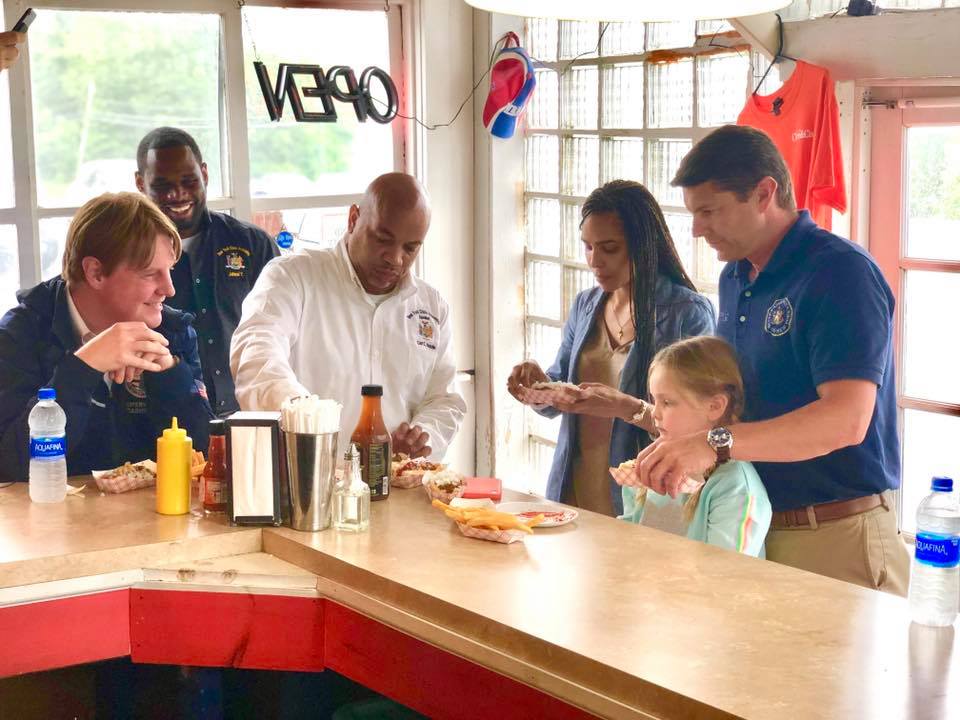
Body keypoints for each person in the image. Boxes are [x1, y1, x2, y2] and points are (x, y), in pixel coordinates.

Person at [634, 124, 910, 595]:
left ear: (764, 194)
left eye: (709, 211)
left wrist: (713, 442)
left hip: (834, 531)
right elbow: (735, 398)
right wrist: (672, 435)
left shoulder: (838, 272)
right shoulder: (735, 277)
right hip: (756, 519)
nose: (697, 230)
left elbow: (846, 420)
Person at [506, 180, 716, 517]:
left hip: (643, 496)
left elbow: (697, 427)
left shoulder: (686, 314)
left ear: (643, 246)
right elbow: (562, 395)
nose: (594, 260)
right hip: (572, 492)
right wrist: (537, 386)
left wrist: (626, 408)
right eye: (587, 247)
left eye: (609, 248)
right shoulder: (586, 306)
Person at [230, 173, 466, 460]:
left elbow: (443, 398)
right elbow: (256, 357)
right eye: (383, 239)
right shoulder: (292, 277)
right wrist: (305, 416)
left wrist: (421, 436)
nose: (395, 258)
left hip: (401, 488)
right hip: (308, 485)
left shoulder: (431, 305)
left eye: (410, 248)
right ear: (353, 219)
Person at [0, 192, 212, 481]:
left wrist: (171, 376)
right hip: (52, 521)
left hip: (155, 520)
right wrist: (82, 369)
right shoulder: (20, 335)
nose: (170, 289)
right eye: (151, 274)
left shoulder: (172, 331)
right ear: (96, 272)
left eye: (170, 271)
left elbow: (204, 454)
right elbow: (8, 465)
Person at [135, 127, 280, 416]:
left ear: (205, 174)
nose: (177, 194)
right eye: (162, 185)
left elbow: (286, 331)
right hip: (164, 418)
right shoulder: (128, 254)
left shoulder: (252, 244)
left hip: (248, 413)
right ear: (140, 183)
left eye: (189, 181)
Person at [615, 336, 771, 556]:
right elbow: (627, 540)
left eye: (667, 402)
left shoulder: (733, 486)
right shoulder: (648, 468)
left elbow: (727, 571)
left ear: (715, 406)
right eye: (654, 400)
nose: (655, 413)